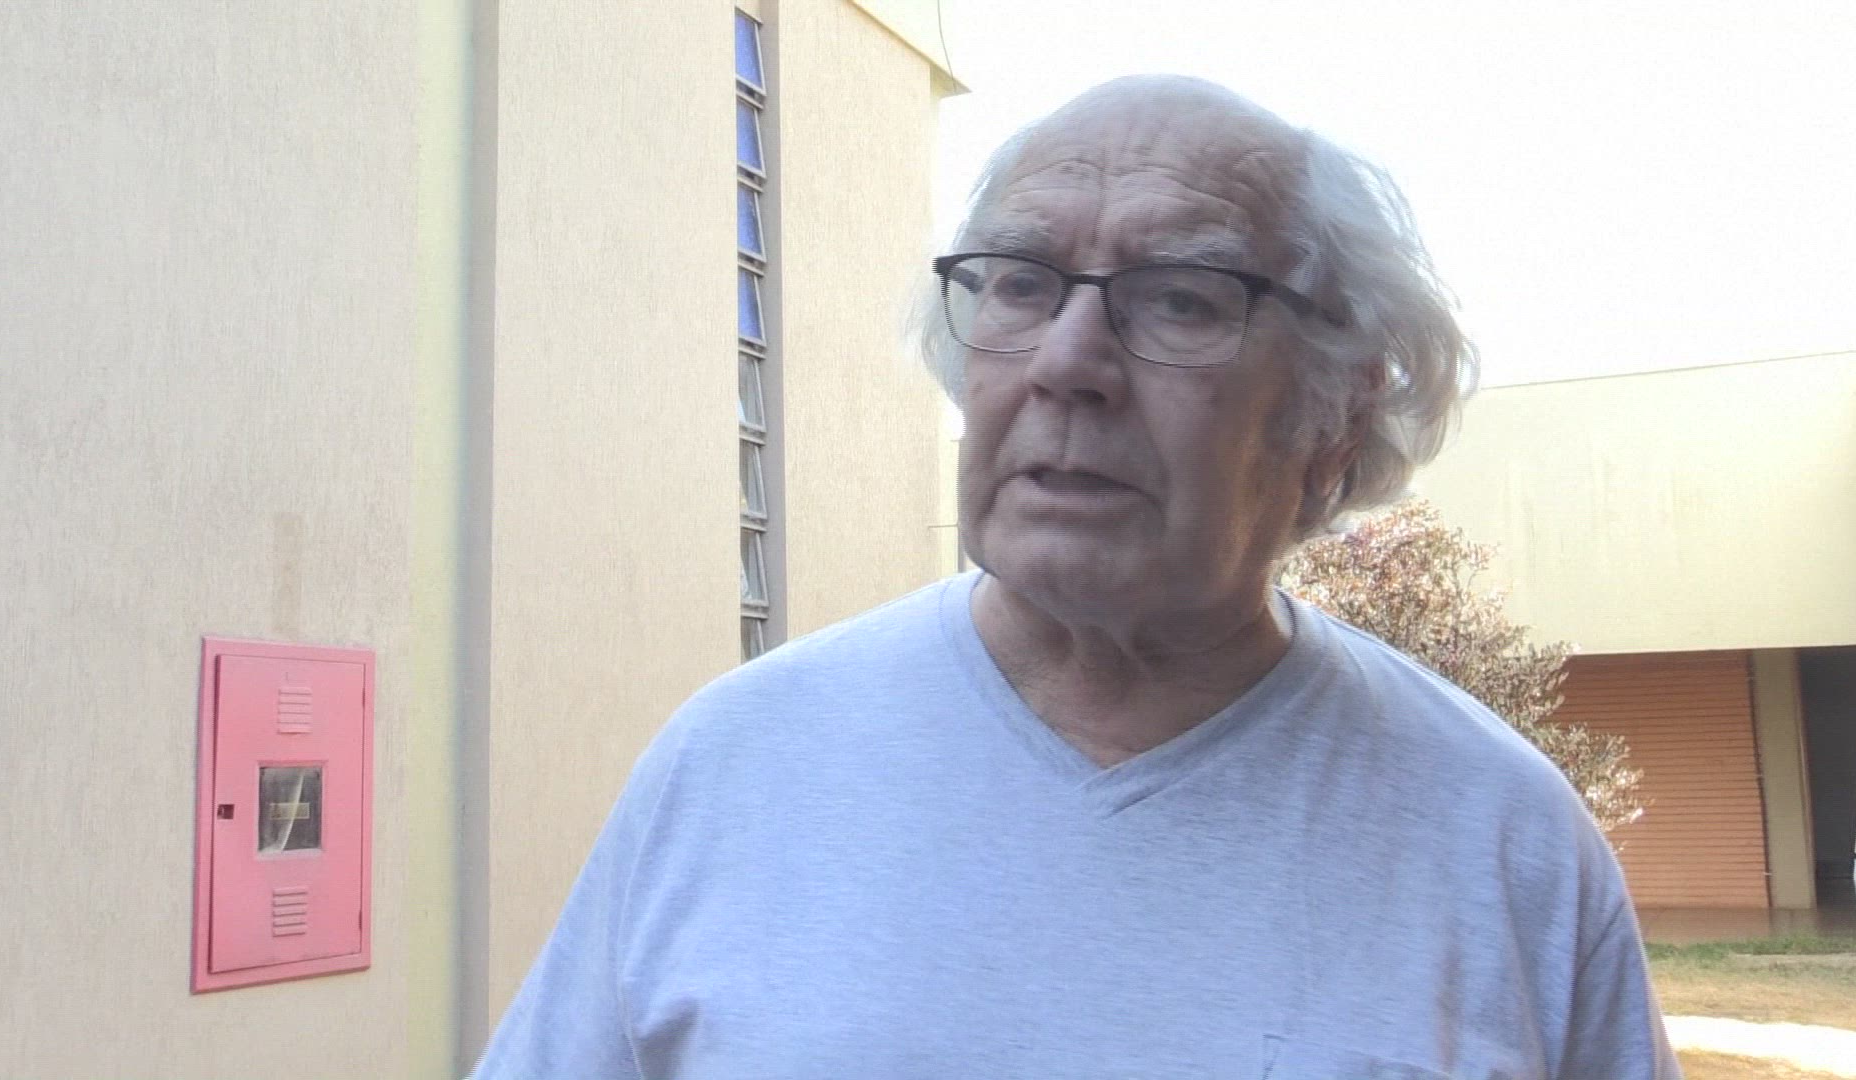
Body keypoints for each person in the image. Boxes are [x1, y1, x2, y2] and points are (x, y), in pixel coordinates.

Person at [472, 75, 1680, 1079]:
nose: (1067, 361)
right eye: (1019, 283)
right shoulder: (737, 760)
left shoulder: (1502, 838)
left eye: (1182, 299)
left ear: (1336, 410)